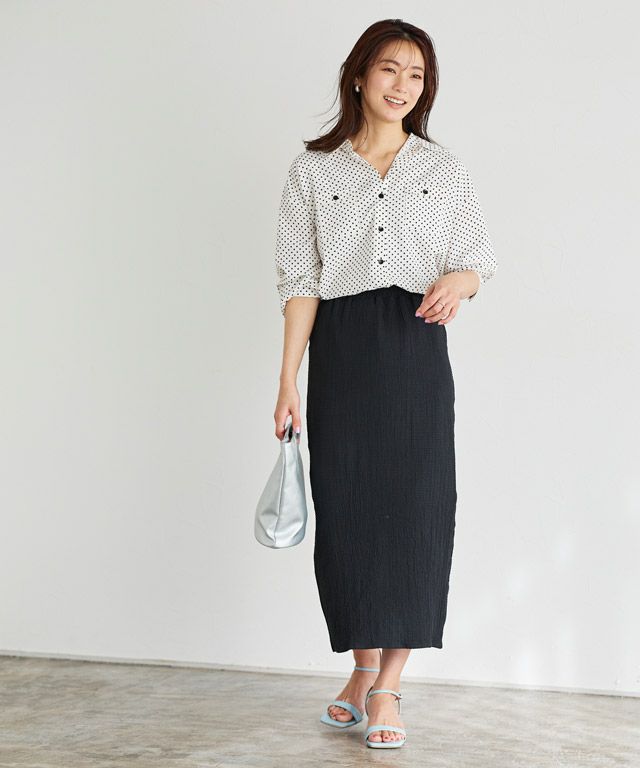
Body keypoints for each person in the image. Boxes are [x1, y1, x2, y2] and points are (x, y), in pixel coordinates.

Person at [272, 19, 497, 749]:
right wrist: (287, 380)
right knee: (349, 512)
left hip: (413, 345)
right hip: (341, 351)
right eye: (390, 69)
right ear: (359, 76)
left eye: (417, 75)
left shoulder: (443, 168)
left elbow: (476, 256)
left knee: (415, 509)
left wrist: (460, 281)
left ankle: (389, 686)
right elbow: (300, 281)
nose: (403, 86)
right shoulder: (313, 171)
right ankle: (361, 670)